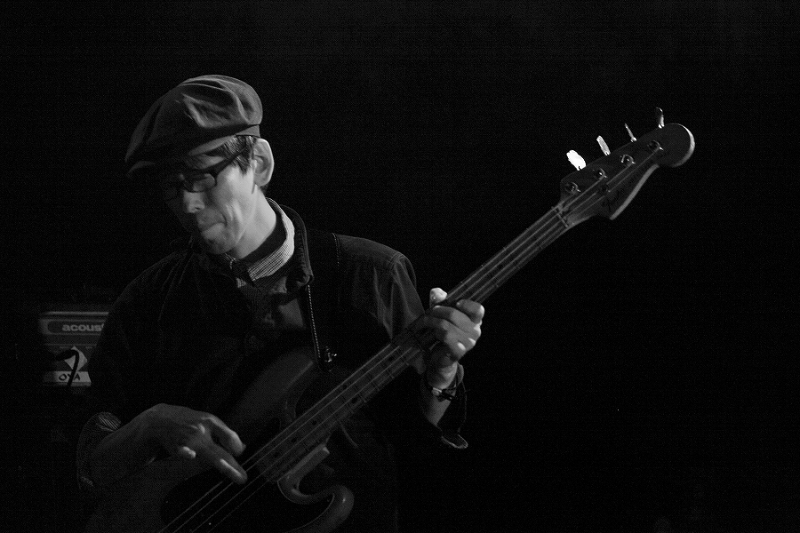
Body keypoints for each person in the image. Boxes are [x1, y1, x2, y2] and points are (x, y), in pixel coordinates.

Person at [76, 75, 485, 532]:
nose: (187, 204)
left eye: (202, 176)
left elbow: (413, 440)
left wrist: (440, 376)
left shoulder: (372, 274)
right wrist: (149, 424)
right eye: (171, 186)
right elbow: (91, 461)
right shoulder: (147, 302)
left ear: (260, 163)